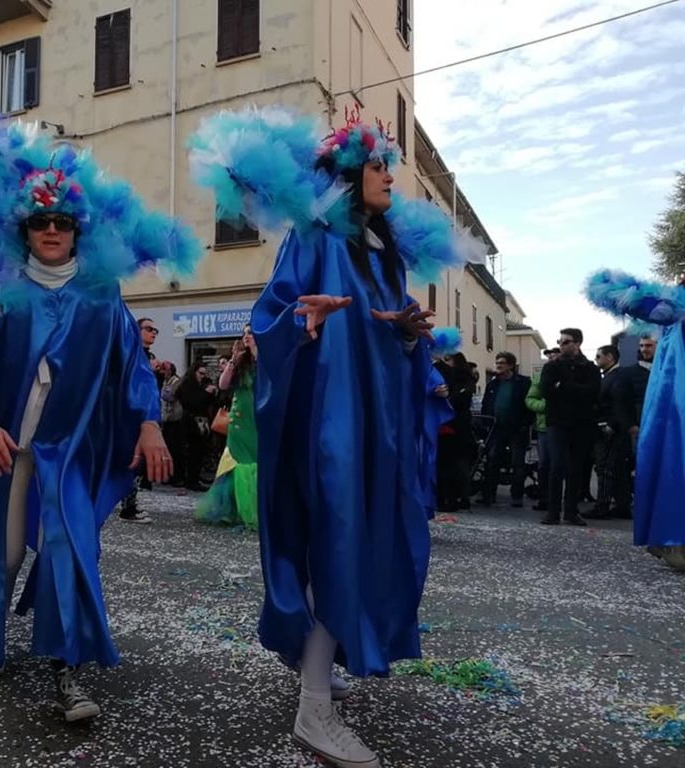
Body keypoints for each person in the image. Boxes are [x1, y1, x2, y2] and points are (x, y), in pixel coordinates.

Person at [0, 120, 199, 722]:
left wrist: (149, 424)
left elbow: (132, 368)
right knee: (7, 551)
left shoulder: (102, 295)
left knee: (69, 551)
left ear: (78, 231)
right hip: (6, 452)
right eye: (41, 222)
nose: (52, 231)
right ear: (25, 229)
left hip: (68, 452)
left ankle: (66, 669)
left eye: (63, 222)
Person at [190, 106, 473, 768]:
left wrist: (405, 337)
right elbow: (270, 315)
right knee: (337, 543)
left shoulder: (385, 259)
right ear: (347, 174)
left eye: (388, 167)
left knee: (364, 542)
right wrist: (301, 318)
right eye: (378, 166)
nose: (389, 178)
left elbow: (384, 337)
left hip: (378, 426)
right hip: (331, 426)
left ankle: (317, 665)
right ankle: (314, 709)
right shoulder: (315, 239)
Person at [585, 269, 684, 570]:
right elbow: (640, 305)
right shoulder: (674, 315)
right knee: (671, 464)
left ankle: (672, 541)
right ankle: (671, 541)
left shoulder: (673, 316)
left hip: (673, 406)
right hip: (672, 404)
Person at [195, 324, 259, 529]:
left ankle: (257, 508)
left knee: (256, 460)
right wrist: (233, 358)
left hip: (258, 418)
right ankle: (236, 510)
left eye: (250, 332)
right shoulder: (241, 360)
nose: (246, 336)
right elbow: (223, 384)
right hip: (239, 419)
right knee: (236, 462)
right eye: (244, 333)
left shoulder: (268, 358)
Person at [539, 328, 601, 526]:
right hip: (557, 422)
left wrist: (563, 386)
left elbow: (593, 392)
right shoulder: (552, 367)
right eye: (560, 341)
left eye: (566, 342)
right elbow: (546, 391)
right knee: (556, 465)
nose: (561, 345)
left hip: (581, 422)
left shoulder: (590, 368)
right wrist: (573, 389)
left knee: (576, 467)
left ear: (577, 343)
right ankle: (553, 511)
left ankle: (571, 511)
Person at [117, 318, 161, 521]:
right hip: (130, 417)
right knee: (132, 461)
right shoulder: (130, 354)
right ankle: (127, 507)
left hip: (144, 417)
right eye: (149, 329)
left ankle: (130, 504)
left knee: (137, 462)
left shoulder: (146, 356)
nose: (153, 333)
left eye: (155, 330)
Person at [478, 352, 533, 507]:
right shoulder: (493, 384)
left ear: (510, 365)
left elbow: (529, 406)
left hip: (517, 429)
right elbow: (486, 404)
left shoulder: (523, 383)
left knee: (517, 463)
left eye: (502, 362)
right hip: (496, 429)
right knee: (492, 460)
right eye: (497, 362)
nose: (498, 365)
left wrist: (525, 424)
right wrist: (486, 423)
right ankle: (489, 494)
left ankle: (516, 496)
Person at [584, 345, 633, 519]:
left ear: (610, 357)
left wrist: (610, 425)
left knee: (605, 467)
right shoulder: (611, 377)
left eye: (599, 356)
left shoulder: (616, 377)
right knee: (617, 468)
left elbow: (619, 402)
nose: (596, 359)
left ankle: (602, 506)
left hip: (610, 429)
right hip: (611, 428)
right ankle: (622, 505)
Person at [435, 352, 475, 512]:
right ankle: (445, 497)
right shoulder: (447, 378)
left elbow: (458, 401)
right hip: (446, 428)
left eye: (448, 360)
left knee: (454, 466)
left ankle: (456, 497)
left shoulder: (464, 382)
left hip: (457, 429)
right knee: (445, 465)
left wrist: (446, 396)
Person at [525, 348, 560, 513]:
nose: (551, 359)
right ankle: (545, 498)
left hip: (567, 426)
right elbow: (530, 399)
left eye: (555, 356)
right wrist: (547, 407)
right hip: (544, 427)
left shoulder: (570, 373)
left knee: (565, 466)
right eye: (549, 357)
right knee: (545, 465)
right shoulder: (539, 377)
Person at [176, 360, 217, 492]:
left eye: (204, 374)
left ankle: (195, 477)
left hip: (199, 421)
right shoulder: (187, 385)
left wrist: (210, 393)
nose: (202, 376)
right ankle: (192, 480)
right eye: (200, 373)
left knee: (198, 452)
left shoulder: (198, 384)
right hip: (192, 422)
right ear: (194, 372)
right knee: (194, 452)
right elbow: (193, 403)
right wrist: (206, 393)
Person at [160, 361, 187, 486]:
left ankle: (177, 476)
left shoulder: (176, 381)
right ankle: (169, 475)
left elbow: (169, 396)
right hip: (167, 419)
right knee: (167, 449)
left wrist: (164, 392)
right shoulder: (166, 382)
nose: (162, 373)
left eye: (165, 370)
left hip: (175, 419)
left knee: (176, 450)